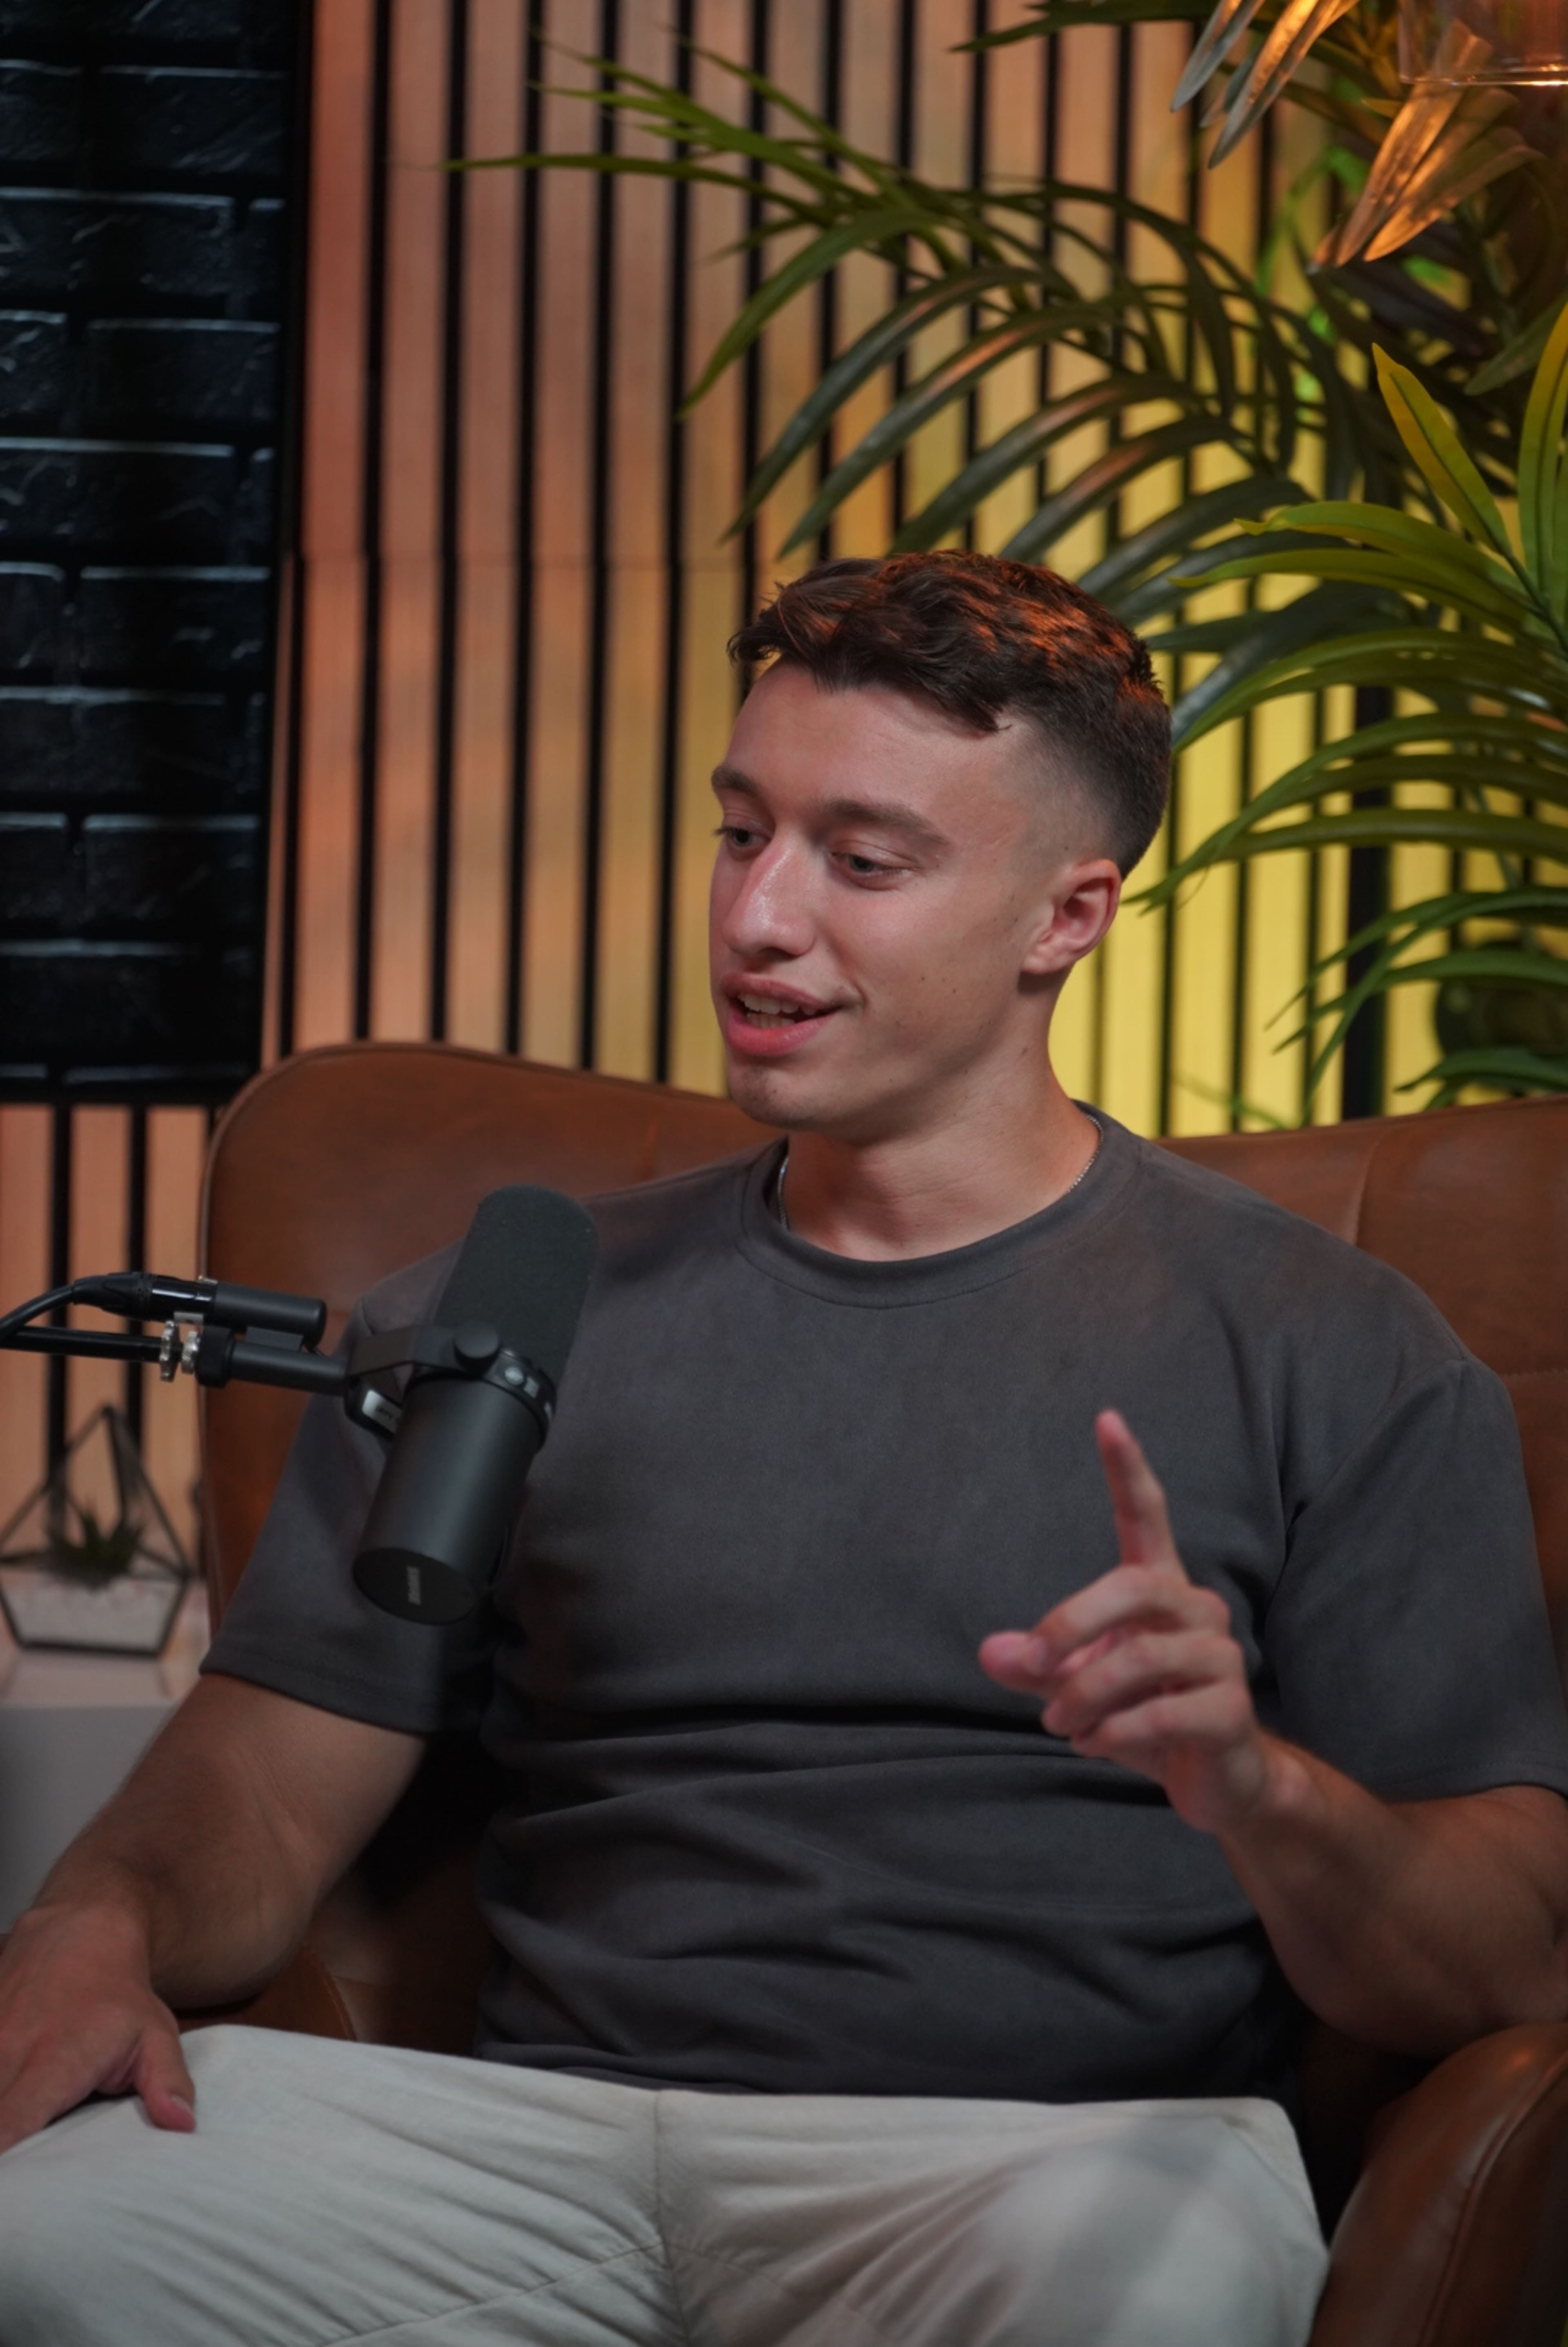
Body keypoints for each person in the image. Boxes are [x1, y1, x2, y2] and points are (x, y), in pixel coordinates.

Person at [2, 551, 1567, 2347]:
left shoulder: (1337, 1354)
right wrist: (94, 1914)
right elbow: (269, 1786)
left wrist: (1261, 1790)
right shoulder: (509, 1306)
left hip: (1032, 2168)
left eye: (864, 861)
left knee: (1146, 2296)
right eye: (745, 832)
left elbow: (1509, 1957)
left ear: (1068, 913)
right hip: (515, 2149)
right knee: (35, 2244)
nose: (758, 917)